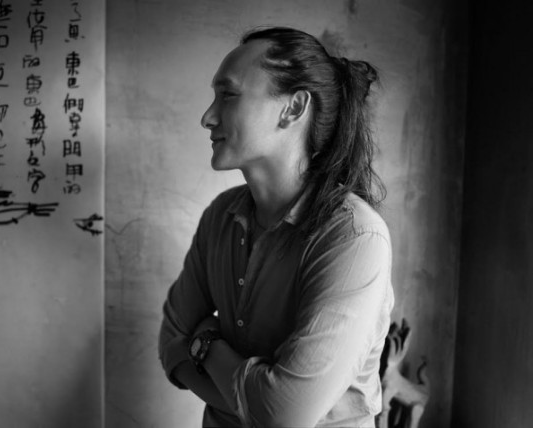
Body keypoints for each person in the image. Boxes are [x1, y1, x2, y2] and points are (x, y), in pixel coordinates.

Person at [158, 26, 394, 428]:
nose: (207, 117)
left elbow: (284, 414)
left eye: (228, 95)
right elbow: (171, 346)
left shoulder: (354, 237)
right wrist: (256, 404)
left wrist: (206, 343)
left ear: (293, 108)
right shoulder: (220, 216)